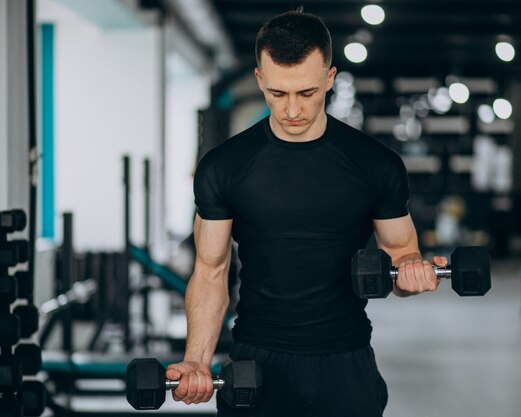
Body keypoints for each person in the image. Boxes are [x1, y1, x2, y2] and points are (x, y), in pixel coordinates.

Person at [166, 10, 448, 417]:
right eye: (278, 93)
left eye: (308, 93)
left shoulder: (375, 165)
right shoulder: (224, 167)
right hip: (256, 360)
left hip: (345, 361)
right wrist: (196, 360)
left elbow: (401, 258)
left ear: (330, 78)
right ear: (260, 78)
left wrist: (413, 273)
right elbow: (210, 271)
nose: (292, 109)